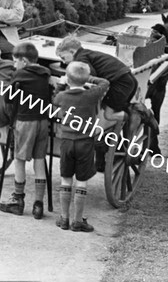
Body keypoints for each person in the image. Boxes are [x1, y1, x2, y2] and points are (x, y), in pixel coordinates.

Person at [56, 36, 138, 171]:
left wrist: (69, 81)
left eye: (63, 57)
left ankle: (129, 116)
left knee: (108, 114)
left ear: (71, 51)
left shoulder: (80, 59)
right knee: (108, 111)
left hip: (121, 83)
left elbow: (88, 77)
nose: (63, 62)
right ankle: (125, 114)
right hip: (125, 79)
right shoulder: (85, 53)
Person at [52, 62, 110, 232]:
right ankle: (78, 221)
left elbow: (55, 98)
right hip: (85, 142)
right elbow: (105, 83)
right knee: (82, 181)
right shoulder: (92, 95)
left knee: (66, 178)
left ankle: (64, 218)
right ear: (85, 79)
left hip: (67, 141)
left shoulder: (62, 97)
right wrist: (88, 78)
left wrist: (62, 83)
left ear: (68, 79)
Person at [0, 42, 51, 219]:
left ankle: (18, 200)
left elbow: (8, 98)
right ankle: (38, 204)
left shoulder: (20, 74)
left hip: (25, 121)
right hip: (43, 122)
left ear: (23, 61)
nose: (14, 65)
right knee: (39, 160)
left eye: (15, 61)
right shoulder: (46, 74)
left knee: (19, 159)